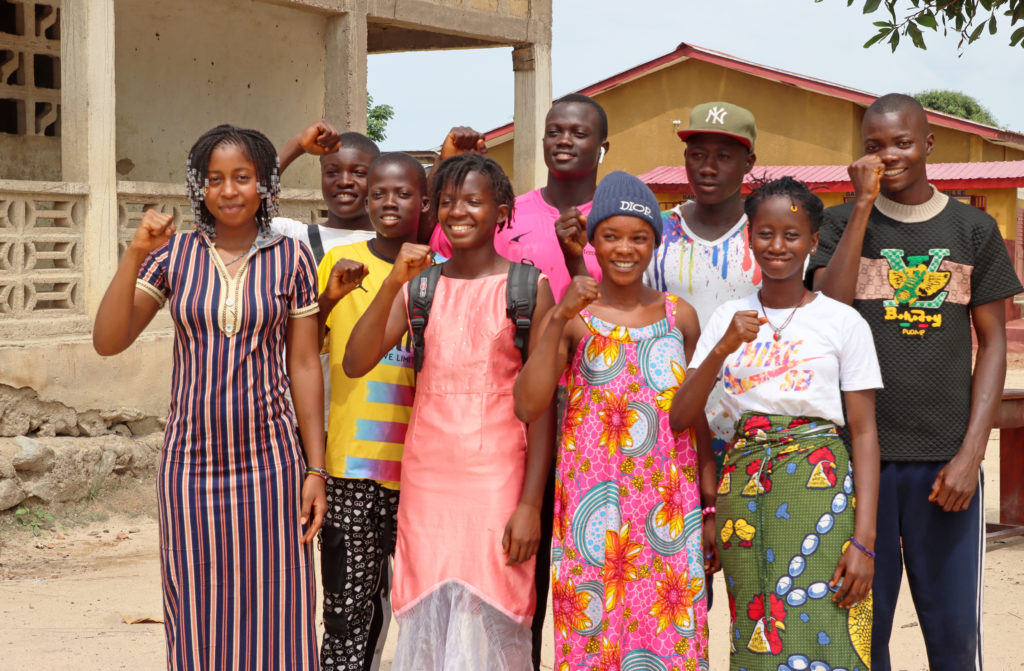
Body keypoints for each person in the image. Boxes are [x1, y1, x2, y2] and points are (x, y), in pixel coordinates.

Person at [92, 124, 327, 669]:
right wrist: (135, 252)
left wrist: (315, 469)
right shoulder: (173, 256)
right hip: (190, 467)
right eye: (215, 179)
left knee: (280, 604)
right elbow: (108, 341)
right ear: (199, 187)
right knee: (196, 607)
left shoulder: (293, 258)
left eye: (242, 177)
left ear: (265, 184)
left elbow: (303, 365)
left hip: (271, 465)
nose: (228, 190)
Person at [808, 93, 1023, 671]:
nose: (888, 156)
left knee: (954, 643)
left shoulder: (973, 228)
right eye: (873, 146)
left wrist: (971, 454)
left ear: (929, 144)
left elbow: (993, 344)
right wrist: (862, 205)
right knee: (862, 637)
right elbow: (829, 309)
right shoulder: (838, 223)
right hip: (857, 464)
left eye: (902, 143)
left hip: (944, 467)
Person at [344, 153, 556, 670]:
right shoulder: (421, 287)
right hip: (428, 481)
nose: (458, 211)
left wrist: (531, 504)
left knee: (494, 607)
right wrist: (393, 283)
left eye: (472, 201)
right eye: (447, 201)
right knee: (430, 609)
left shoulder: (529, 289)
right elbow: (355, 361)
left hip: (498, 479)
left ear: (501, 212)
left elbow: (543, 408)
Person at [429, 93, 611, 668]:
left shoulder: (621, 217)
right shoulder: (511, 212)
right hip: (519, 416)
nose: (564, 140)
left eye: (578, 132)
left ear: (603, 146)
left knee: (591, 580)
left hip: (600, 416)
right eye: (554, 130)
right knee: (516, 576)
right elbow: (451, 255)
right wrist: (447, 165)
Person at [673, 176, 882, 670]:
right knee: (755, 629)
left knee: (828, 625)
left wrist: (865, 541)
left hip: (820, 492)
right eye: (765, 234)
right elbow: (681, 414)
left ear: (813, 241)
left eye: (792, 235)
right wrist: (724, 346)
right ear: (750, 239)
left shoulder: (842, 322)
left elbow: (864, 432)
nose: (778, 246)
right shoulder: (728, 316)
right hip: (743, 497)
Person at [514, 171, 716, 669]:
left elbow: (697, 420)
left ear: (655, 244)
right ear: (593, 241)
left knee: (669, 638)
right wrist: (558, 316)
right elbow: (527, 405)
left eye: (638, 238)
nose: (625, 249)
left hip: (668, 510)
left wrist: (710, 507)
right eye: (611, 236)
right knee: (592, 640)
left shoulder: (681, 317)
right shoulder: (575, 317)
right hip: (592, 508)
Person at [313, 153, 432, 671]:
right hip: (351, 465)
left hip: (421, 469)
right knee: (346, 610)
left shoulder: (439, 272)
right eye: (379, 192)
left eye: (403, 193)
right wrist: (327, 299)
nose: (389, 202)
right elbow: (306, 346)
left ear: (424, 203)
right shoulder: (340, 263)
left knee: (421, 606)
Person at [645, 101, 760, 473]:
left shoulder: (771, 237)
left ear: (749, 163)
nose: (708, 167)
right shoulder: (656, 234)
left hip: (752, 432)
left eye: (724, 156)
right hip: (666, 427)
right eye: (697, 155)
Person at [271, 124, 380, 429]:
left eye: (359, 173)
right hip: (300, 413)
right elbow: (247, 204)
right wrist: (296, 146)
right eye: (332, 172)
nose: (344, 181)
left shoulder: (393, 245)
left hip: (366, 415)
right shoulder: (295, 236)